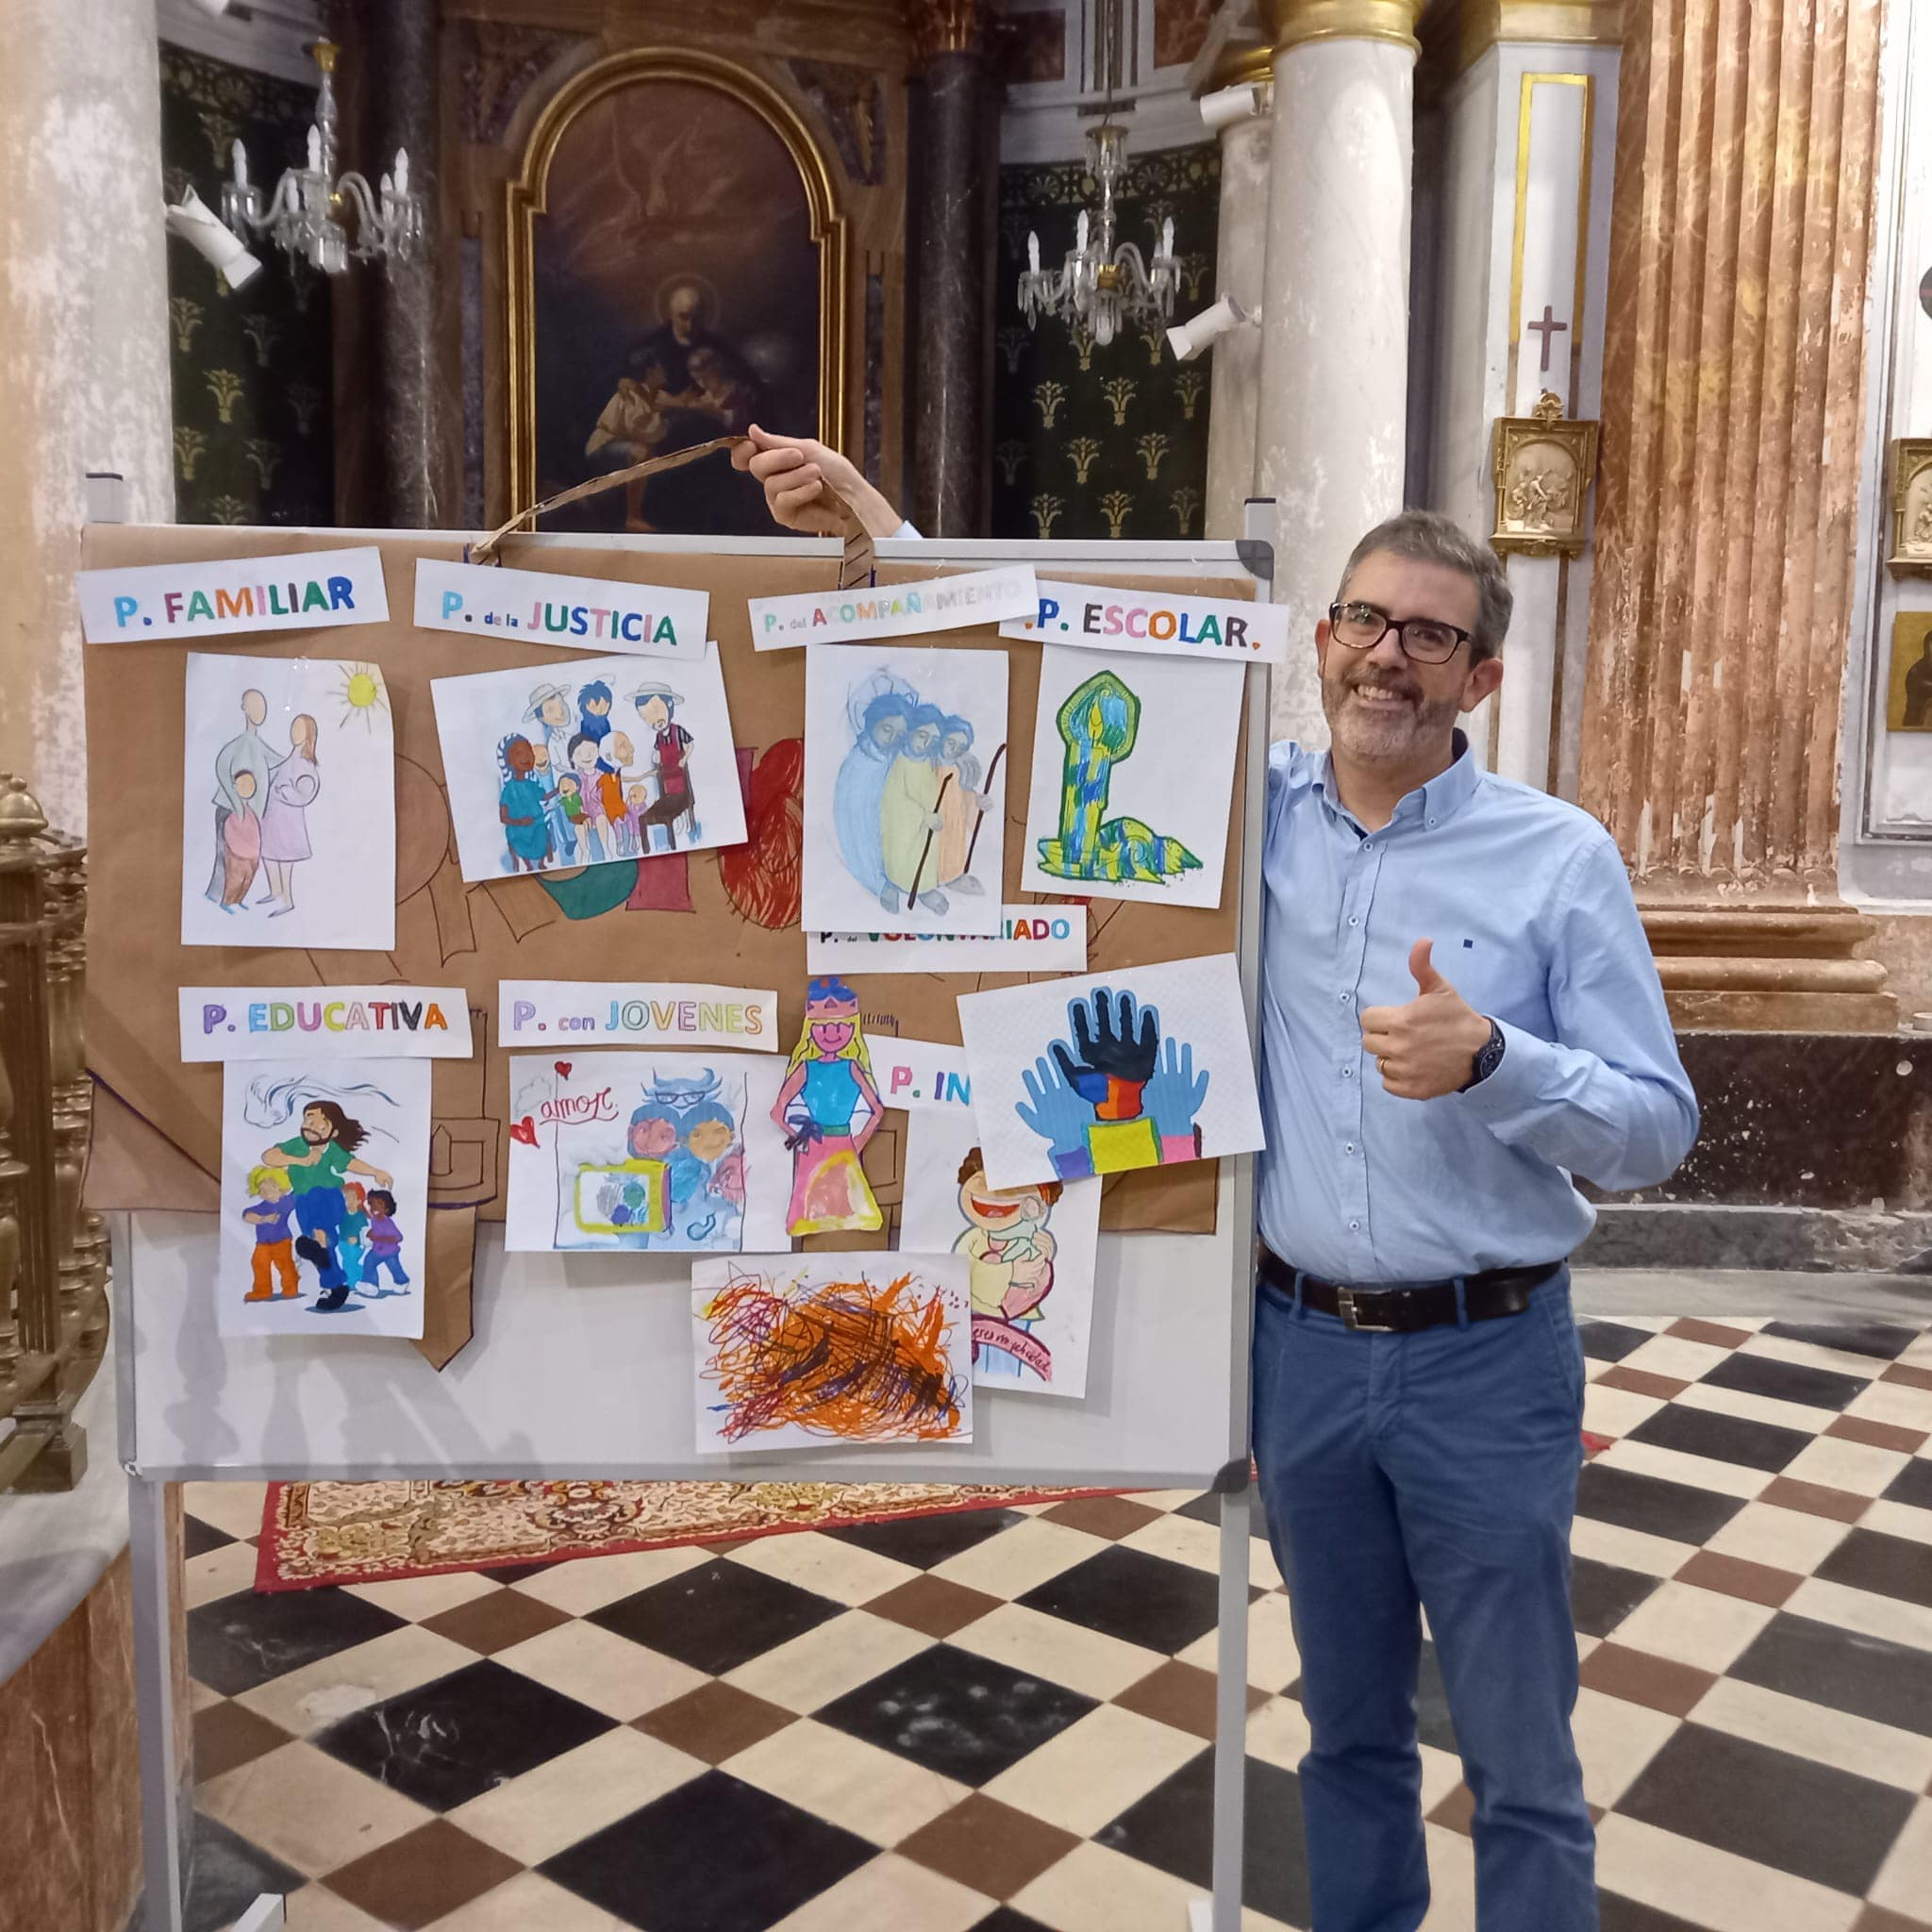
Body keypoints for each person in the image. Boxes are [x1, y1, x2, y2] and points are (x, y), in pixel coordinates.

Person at [741, 439, 1699, 1932]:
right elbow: (1030, 696)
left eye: (1430, 635)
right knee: (1348, 1736)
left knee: (1522, 1758)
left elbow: (1655, 1129)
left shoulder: (1558, 860)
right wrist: (884, 531)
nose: (1388, 657)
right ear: (1319, 640)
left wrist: (1498, 1061)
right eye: (1365, 620)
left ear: (1481, 679)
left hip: (1489, 1360)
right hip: (1301, 1352)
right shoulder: (1238, 818)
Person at [260, 1100, 392, 1316]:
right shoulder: (297, 1145)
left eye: (320, 1124)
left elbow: (351, 1163)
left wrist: (375, 1171)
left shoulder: (332, 1149)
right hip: (303, 1200)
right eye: (308, 1120)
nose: (311, 1126)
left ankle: (317, 1247)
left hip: (328, 1196)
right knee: (323, 1247)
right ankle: (334, 1286)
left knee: (320, 1231)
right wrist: (302, 1161)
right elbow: (269, 1156)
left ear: (333, 1132)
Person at [879, 704, 950, 912]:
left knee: (924, 859)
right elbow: (893, 800)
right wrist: (922, 816)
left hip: (927, 827)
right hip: (902, 828)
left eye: (933, 740)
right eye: (922, 735)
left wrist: (938, 815)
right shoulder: (899, 762)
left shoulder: (930, 761)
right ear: (910, 731)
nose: (926, 743)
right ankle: (892, 886)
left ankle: (924, 891)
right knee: (900, 859)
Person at [205, 687, 270, 906]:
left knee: (244, 862)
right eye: (255, 705)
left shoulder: (258, 746)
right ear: (244, 708)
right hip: (229, 811)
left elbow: (276, 760)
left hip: (247, 818)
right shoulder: (237, 745)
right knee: (225, 860)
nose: (260, 710)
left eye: (262, 705)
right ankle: (216, 899)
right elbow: (221, 768)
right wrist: (235, 801)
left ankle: (233, 900)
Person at [258, 712, 320, 916]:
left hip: (287, 822)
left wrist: (285, 791)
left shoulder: (305, 763)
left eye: (299, 729)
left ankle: (287, 900)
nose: (294, 732)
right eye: (293, 727)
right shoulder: (290, 758)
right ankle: (275, 891)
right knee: (268, 855)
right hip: (272, 819)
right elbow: (276, 773)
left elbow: (307, 790)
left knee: (284, 860)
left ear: (308, 734)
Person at [241, 1166, 298, 1302]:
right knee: (258, 1263)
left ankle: (291, 1286)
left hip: (282, 1241)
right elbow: (247, 1215)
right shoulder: (262, 1207)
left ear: (281, 1187)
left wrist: (293, 1172)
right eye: (262, 1190)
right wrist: (263, 1219)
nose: (268, 1193)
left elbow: (298, 1190)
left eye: (272, 1187)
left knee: (284, 1264)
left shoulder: (287, 1202)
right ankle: (262, 1290)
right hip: (263, 1244)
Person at [498, 735, 551, 873]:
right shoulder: (509, 789)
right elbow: (503, 817)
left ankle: (541, 862)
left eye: (528, 751)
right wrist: (519, 822)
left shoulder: (532, 784)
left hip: (537, 824)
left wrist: (558, 790)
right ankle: (528, 865)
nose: (526, 756)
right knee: (519, 841)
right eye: (519, 753)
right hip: (519, 829)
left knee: (542, 834)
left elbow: (543, 796)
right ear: (509, 761)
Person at [219, 767, 263, 910]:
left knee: (247, 878)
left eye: (250, 784)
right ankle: (227, 902)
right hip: (237, 854)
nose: (247, 788)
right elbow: (229, 831)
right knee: (235, 879)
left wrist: (256, 852)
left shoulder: (251, 812)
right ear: (235, 787)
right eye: (243, 784)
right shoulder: (233, 811)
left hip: (252, 855)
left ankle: (238, 900)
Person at [358, 1190, 408, 1294]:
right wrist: (361, 1206)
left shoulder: (388, 1223)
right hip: (377, 1251)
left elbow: (398, 1237)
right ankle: (371, 1284)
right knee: (369, 1261)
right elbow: (369, 1216)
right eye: (371, 1204)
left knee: (395, 1268)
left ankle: (402, 1282)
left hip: (390, 1252)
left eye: (379, 1204)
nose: (374, 1208)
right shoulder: (375, 1219)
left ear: (387, 1209)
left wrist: (378, 1238)